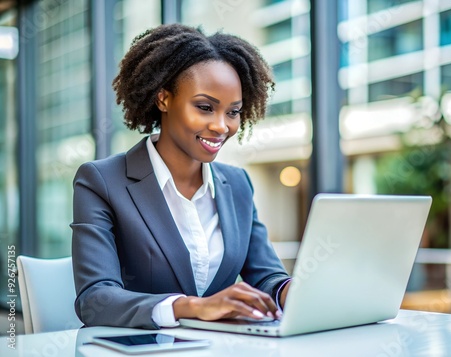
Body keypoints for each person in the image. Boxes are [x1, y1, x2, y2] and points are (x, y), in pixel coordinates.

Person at [71, 23, 291, 329]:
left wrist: (290, 291)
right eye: (204, 107)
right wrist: (191, 308)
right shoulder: (101, 181)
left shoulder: (237, 184)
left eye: (233, 112)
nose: (221, 126)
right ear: (163, 99)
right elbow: (95, 299)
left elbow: (267, 276)